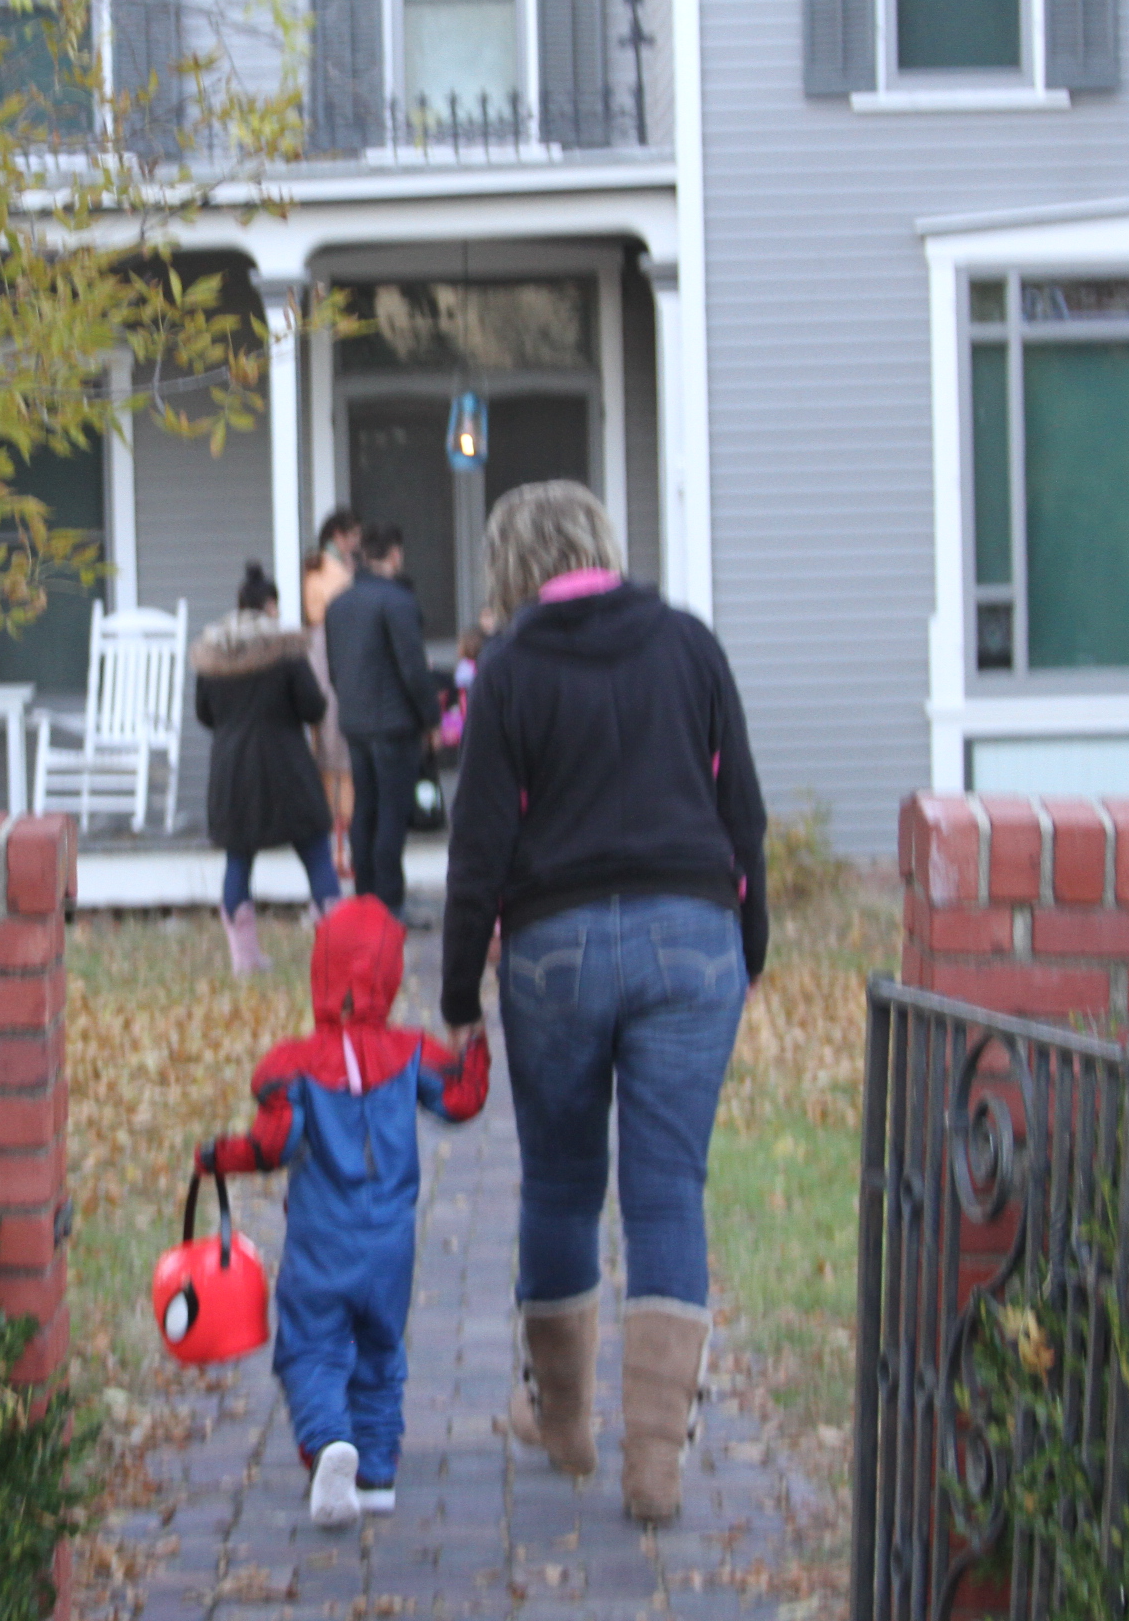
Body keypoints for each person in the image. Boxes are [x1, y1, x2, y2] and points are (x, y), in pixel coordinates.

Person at [437, 481, 768, 1526]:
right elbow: (741, 805)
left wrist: (456, 995)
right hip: (692, 935)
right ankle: (658, 1462)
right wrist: (747, 947)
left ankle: (568, 1421)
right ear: (601, 546)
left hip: (556, 947)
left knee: (563, 1185)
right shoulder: (687, 644)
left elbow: (478, 843)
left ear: (510, 570)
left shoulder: (511, 670)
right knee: (669, 1190)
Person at [195, 897, 491, 1527]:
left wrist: (218, 1156)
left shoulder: (296, 1067)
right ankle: (378, 1471)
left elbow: (272, 1147)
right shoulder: (413, 1053)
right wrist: (476, 1043)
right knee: (381, 1350)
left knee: (310, 1346)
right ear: (389, 975)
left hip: (320, 1243)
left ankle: (330, 1441)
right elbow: (462, 1100)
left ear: (319, 971)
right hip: (390, 1244)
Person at [193, 563, 343, 975]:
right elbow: (314, 706)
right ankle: (333, 954)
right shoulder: (284, 650)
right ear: (271, 605)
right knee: (315, 854)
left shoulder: (214, 651)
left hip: (232, 772)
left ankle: (245, 960)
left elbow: (204, 713)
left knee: (238, 859)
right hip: (287, 768)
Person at [322, 520, 436, 914]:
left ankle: (365, 900)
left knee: (364, 811)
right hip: (394, 724)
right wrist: (430, 718)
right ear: (394, 555)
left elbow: (335, 669)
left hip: (355, 722)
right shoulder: (398, 602)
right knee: (392, 813)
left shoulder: (338, 605)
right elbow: (413, 668)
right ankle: (390, 904)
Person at [301, 510, 360, 879]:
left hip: (327, 654)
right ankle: (339, 847)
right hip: (329, 655)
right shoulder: (328, 570)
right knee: (336, 751)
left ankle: (341, 846)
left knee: (334, 751)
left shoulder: (325, 565)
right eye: (353, 535)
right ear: (339, 535)